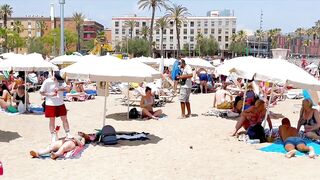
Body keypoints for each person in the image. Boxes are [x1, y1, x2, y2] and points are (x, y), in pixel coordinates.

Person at [40, 71, 71, 143]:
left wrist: (60, 89)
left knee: (64, 118)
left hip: (60, 103)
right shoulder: (47, 81)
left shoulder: (61, 80)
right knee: (52, 120)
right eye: (58, 80)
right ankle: (53, 136)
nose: (59, 81)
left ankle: (68, 133)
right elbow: (41, 92)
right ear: (54, 77)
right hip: (50, 103)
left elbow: (68, 89)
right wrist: (49, 94)